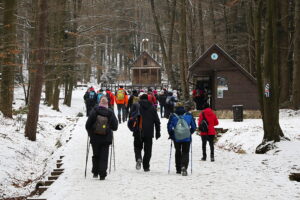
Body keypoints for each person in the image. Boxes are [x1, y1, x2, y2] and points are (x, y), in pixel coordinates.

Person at [85, 97, 118, 180]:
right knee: (104, 155)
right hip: (106, 139)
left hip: (95, 138)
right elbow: (115, 127)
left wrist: (90, 134)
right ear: (107, 104)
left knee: (96, 154)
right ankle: (102, 174)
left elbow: (87, 125)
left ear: (99, 103)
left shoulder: (94, 111)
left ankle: (95, 172)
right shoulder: (110, 112)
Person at [129, 94, 161, 172]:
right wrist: (157, 132)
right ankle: (146, 166)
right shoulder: (152, 107)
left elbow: (130, 117)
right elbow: (157, 121)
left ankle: (138, 158)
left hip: (138, 130)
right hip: (149, 132)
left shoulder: (136, 106)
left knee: (137, 147)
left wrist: (132, 128)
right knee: (148, 149)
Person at [167, 102, 196, 176]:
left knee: (178, 151)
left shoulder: (173, 116)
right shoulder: (189, 115)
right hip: (186, 137)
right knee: (185, 152)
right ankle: (184, 166)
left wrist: (172, 135)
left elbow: (169, 127)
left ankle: (178, 169)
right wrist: (189, 133)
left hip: (176, 137)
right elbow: (193, 126)